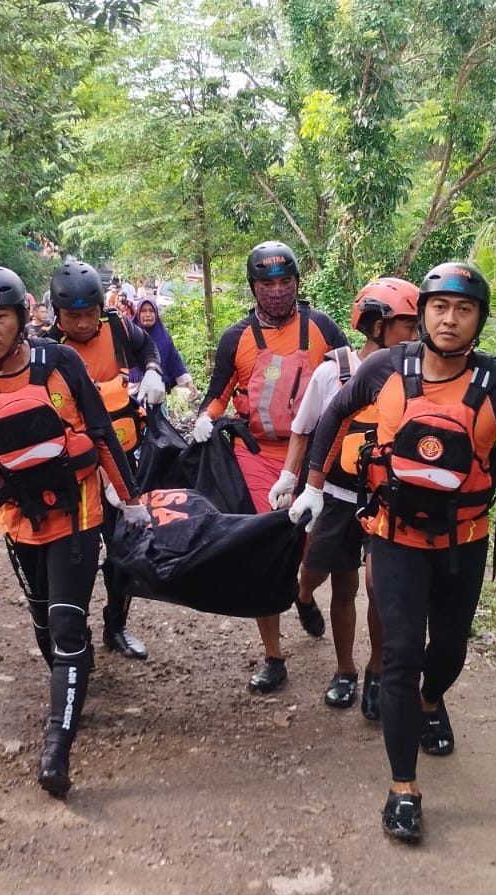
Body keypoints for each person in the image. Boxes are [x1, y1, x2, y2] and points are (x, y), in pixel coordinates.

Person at [295, 261, 496, 843]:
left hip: (462, 545)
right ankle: (403, 787)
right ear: (423, 313)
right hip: (394, 538)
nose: (450, 319)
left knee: (449, 650)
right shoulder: (384, 367)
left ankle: (435, 700)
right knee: (402, 655)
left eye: (464, 309)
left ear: (479, 319)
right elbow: (333, 414)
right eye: (439, 307)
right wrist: (311, 482)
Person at [0, 266, 147, 798]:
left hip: (78, 513)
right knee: (45, 625)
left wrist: (131, 498)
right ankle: (72, 677)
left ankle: (57, 746)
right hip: (20, 521)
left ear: (21, 318)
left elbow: (100, 433)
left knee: (68, 623)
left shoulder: (62, 363)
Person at [191, 241, 349, 693]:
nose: (277, 292)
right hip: (257, 456)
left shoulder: (322, 328)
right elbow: (218, 393)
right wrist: (206, 418)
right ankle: (274, 656)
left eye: (285, 282)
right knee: (266, 552)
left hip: (318, 458)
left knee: (316, 550)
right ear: (253, 287)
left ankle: (302, 593)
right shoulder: (235, 338)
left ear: (297, 283)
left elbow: (352, 380)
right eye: (267, 284)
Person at [270, 278, 419, 716]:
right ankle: (318, 624)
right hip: (335, 495)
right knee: (324, 577)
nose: (415, 335)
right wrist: (289, 478)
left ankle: (369, 671)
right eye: (406, 325)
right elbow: (303, 428)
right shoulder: (332, 370)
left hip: (386, 500)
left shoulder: (415, 373)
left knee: (374, 587)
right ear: (375, 326)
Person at [47, 261, 167, 660]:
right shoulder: (48, 351)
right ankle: (74, 636)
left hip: (123, 459)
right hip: (76, 471)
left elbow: (146, 346)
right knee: (76, 558)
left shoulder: (116, 328)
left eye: (89, 314)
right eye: (72, 316)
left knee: (123, 551)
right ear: (57, 314)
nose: (82, 324)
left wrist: (152, 371)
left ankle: (116, 623)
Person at [133, 297, 195, 399]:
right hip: (132, 392)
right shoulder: (129, 336)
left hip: (157, 393)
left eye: (151, 311)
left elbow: (175, 360)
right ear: (138, 313)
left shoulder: (164, 338)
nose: (148, 315)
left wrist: (188, 382)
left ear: (156, 314)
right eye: (143, 311)